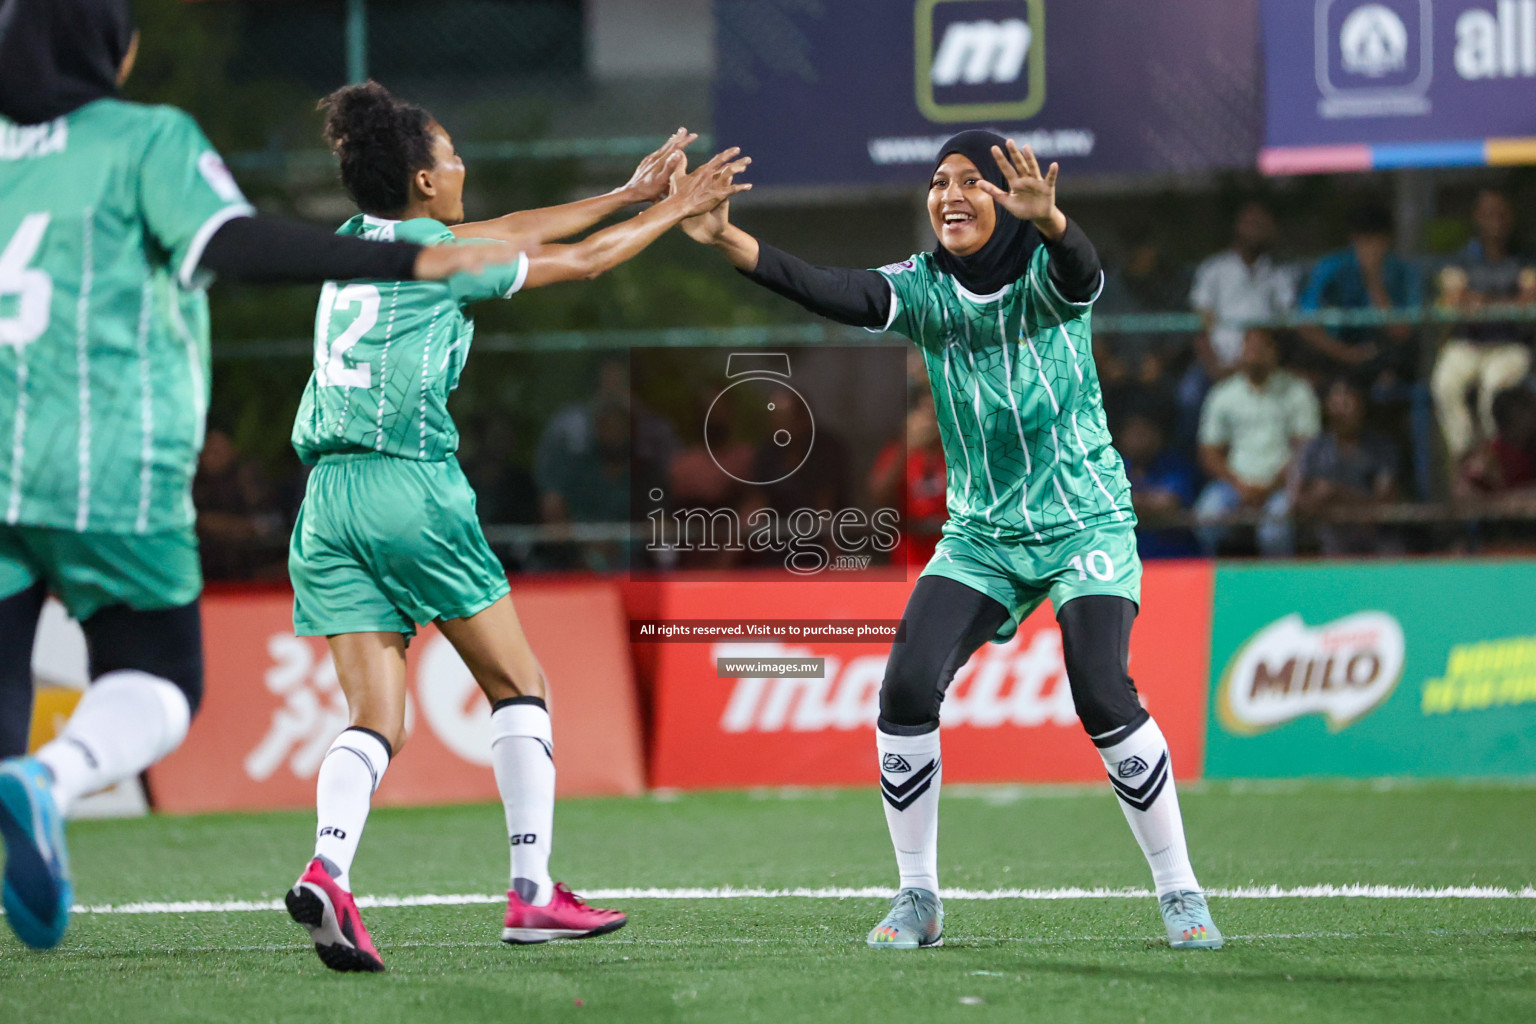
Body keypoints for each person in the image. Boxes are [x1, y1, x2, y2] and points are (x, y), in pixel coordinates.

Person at [0, 0, 513, 952]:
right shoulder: (143, 138)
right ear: (116, 48)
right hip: (103, 464)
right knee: (158, 676)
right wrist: (412, 258)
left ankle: (23, 791)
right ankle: (56, 777)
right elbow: (228, 243)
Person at [683, 130, 1222, 951]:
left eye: (973, 181)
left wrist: (1056, 225)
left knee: (1102, 692)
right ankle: (919, 899)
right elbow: (836, 289)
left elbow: (1081, 271)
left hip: (1085, 521)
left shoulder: (1048, 275)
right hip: (982, 536)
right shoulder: (926, 287)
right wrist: (727, 237)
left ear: (1010, 202)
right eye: (939, 182)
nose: (951, 194)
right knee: (902, 691)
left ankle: (1181, 894)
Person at [283, 81, 749, 972]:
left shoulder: (352, 243)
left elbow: (516, 229)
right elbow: (582, 263)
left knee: (376, 715)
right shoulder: (442, 256)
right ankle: (532, 893)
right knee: (519, 685)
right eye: (451, 156)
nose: (462, 166)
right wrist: (673, 209)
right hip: (407, 487)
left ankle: (328, 870)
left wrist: (626, 191)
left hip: (326, 501)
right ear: (424, 182)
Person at [1430, 189, 1536, 467]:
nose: (1496, 221)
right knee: (1444, 384)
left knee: (1495, 391)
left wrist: (1481, 301)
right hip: (1468, 344)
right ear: (1477, 218)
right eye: (1489, 214)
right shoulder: (1460, 258)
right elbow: (1453, 297)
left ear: (1511, 218)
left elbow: (1529, 297)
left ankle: (1496, 461)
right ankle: (1466, 459)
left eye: (1501, 214)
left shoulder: (1524, 258)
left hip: (1510, 346)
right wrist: (1504, 302)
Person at [1194, 329, 1320, 557]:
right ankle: (1218, 583)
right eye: (1249, 348)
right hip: (1235, 484)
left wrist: (1271, 487)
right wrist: (1239, 485)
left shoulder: (1297, 390)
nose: (1254, 354)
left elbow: (1306, 448)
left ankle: (1278, 586)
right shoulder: (1224, 393)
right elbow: (1209, 451)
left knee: (1273, 531)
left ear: (1275, 352)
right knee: (1207, 516)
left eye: (1261, 347)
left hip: (1282, 484)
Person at [1292, 379, 1401, 556]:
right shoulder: (1313, 449)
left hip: (1372, 536)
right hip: (1326, 535)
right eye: (1336, 404)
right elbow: (1298, 502)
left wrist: (1338, 492)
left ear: (1361, 406)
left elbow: (1384, 503)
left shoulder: (1382, 448)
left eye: (1347, 403)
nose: (1341, 411)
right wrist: (1318, 498)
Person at [1115, 413, 1198, 559]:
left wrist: (1130, 502)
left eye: (1143, 433)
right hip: (1124, 559)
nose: (1138, 440)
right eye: (1133, 434)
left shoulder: (1174, 465)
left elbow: (1168, 505)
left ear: (1158, 436)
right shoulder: (1113, 467)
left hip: (1173, 558)